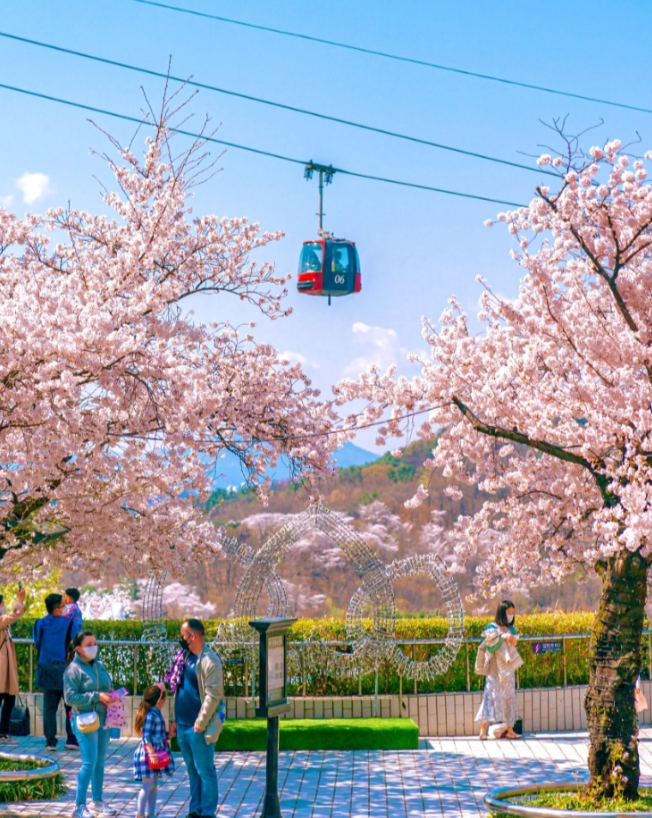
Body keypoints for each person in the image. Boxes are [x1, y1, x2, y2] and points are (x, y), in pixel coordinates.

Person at [170, 619, 225, 818]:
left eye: (183, 635)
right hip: (183, 724)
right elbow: (178, 689)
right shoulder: (184, 657)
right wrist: (174, 720)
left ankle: (208, 813)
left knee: (205, 771)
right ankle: (196, 810)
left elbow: (213, 695)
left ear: (192, 636)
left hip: (197, 727)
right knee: (193, 771)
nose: (181, 639)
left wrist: (200, 724)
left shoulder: (210, 661)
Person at [64, 631, 117, 818]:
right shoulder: (73, 670)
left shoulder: (99, 665)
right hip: (84, 719)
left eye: (95, 642)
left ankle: (97, 801)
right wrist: (96, 696)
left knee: (100, 762)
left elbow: (105, 685)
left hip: (103, 718)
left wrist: (110, 693)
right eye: (89, 644)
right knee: (89, 762)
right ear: (78, 648)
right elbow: (70, 698)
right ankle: (79, 807)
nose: (94, 646)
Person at [33, 592, 82, 751]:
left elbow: (36, 641)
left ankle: (50, 741)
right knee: (70, 706)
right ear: (56, 609)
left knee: (49, 708)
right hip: (65, 669)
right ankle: (71, 738)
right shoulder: (68, 623)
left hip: (46, 668)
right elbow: (78, 634)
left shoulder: (39, 624)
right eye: (63, 605)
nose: (66, 607)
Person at [475, 599, 523, 740]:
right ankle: (482, 730)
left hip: (508, 669)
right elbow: (490, 647)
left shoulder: (512, 629)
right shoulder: (491, 628)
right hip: (494, 669)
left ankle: (510, 729)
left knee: (509, 697)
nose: (511, 615)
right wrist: (502, 637)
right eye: (509, 613)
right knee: (489, 697)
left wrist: (513, 640)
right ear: (502, 613)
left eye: (513, 613)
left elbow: (513, 647)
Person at [133, 684, 175, 818]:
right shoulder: (151, 715)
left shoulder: (156, 714)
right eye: (164, 698)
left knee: (153, 785)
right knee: (148, 785)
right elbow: (146, 736)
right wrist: (151, 753)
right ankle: (140, 813)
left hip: (154, 754)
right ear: (159, 700)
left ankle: (150, 813)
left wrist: (170, 735)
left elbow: (158, 736)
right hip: (148, 755)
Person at [0, 587, 26, 743]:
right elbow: (13, 615)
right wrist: (20, 601)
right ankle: (2, 733)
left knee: (9, 700)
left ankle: (3, 733)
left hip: (6, 669)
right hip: (2, 669)